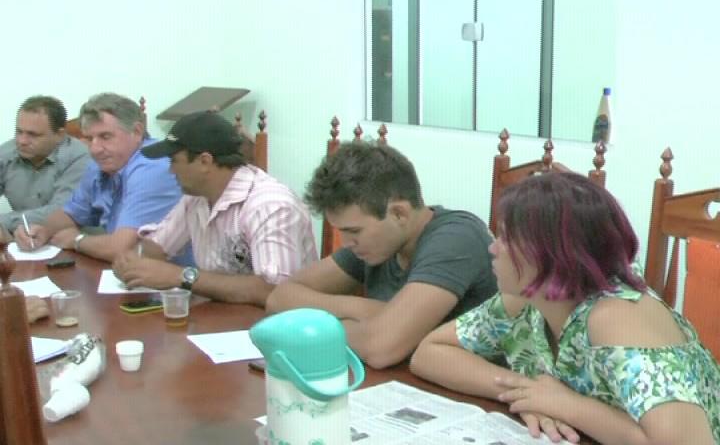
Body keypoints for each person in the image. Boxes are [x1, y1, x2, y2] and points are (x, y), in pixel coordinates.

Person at [410, 172, 719, 444]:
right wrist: (529, 393)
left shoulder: (616, 316)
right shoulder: (528, 300)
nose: (493, 248)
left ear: (551, 253)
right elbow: (428, 353)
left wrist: (567, 405)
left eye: (506, 237)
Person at [266, 141, 497, 369]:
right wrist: (358, 308)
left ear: (399, 214)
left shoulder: (456, 238)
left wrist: (313, 324)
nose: (345, 243)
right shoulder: (377, 244)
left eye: (354, 231)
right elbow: (279, 298)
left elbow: (379, 348)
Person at [111, 111, 317, 306]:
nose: (171, 170)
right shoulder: (196, 197)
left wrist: (181, 276)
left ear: (204, 161)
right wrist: (133, 263)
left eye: (174, 161)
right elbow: (158, 248)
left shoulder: (269, 206)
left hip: (272, 324)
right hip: (218, 317)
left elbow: (273, 290)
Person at [14, 93, 187, 263]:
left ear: (137, 131)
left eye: (105, 137)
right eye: (89, 138)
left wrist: (77, 240)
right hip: (131, 272)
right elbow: (70, 214)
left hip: (178, 277)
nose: (95, 149)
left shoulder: (153, 167)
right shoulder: (101, 164)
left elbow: (122, 250)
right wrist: (43, 231)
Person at [0, 95, 89, 233]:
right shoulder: (7, 153)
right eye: (19, 132)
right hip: (22, 237)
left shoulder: (80, 158)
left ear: (60, 135)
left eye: (33, 134)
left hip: (76, 237)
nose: (22, 141)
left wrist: (4, 222)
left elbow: (62, 213)